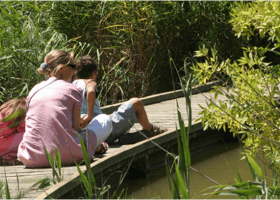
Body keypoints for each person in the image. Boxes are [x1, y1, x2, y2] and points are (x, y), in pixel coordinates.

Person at [17, 50, 112, 168]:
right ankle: (95, 147)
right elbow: (76, 128)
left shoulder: (34, 90)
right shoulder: (73, 90)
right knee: (104, 120)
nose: (75, 70)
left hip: (32, 157)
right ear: (61, 69)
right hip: (69, 155)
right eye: (72, 66)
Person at [73, 55, 168, 145]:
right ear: (93, 73)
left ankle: (124, 136)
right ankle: (150, 130)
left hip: (84, 134)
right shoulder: (87, 82)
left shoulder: (71, 85)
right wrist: (89, 117)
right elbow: (91, 91)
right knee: (136, 103)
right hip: (102, 131)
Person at [0, 98, 26, 164]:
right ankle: (6, 158)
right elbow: (23, 128)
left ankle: (6, 158)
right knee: (26, 135)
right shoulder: (21, 109)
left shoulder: (6, 109)